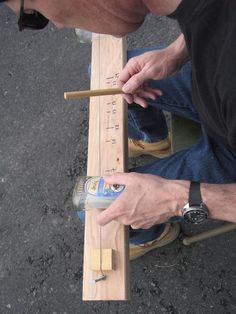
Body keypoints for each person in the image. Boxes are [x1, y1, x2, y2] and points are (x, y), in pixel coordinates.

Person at [2, 0, 236, 260]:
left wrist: (175, 198)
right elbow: (211, 17)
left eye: (34, 16)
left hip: (228, 148)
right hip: (213, 96)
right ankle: (154, 141)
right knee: (116, 75)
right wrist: (177, 51)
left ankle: (152, 234)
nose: (57, 24)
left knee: (95, 207)